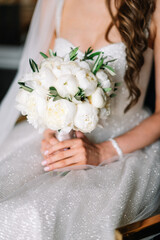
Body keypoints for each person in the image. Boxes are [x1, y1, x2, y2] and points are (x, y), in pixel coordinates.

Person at [0, 0, 160, 239]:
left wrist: (103, 152)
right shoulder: (55, 3)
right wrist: (49, 133)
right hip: (58, 141)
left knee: (32, 214)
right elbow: (42, 81)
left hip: (123, 148)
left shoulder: (153, 6)